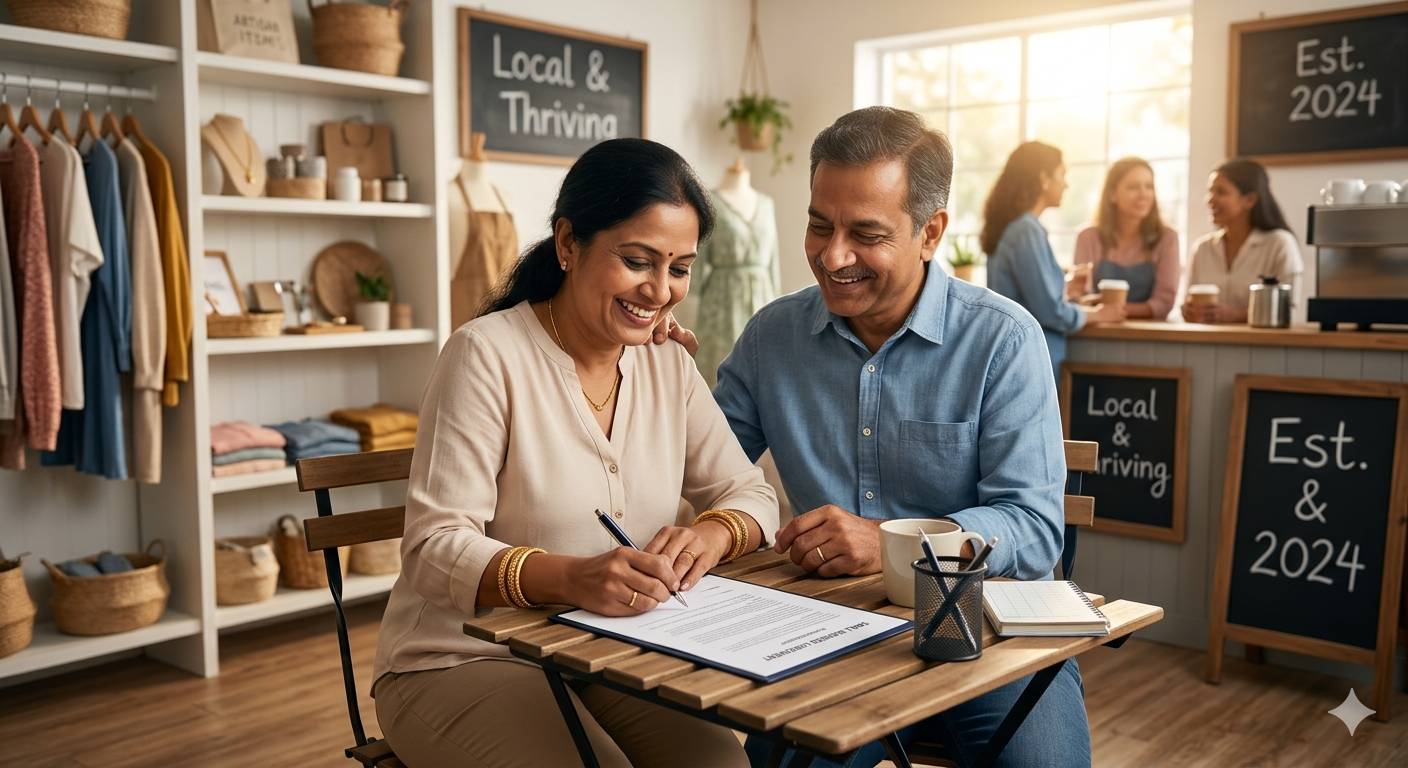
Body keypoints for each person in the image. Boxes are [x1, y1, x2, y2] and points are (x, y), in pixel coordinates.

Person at [373, 138, 778, 768]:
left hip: (608, 651)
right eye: (638, 261)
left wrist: (712, 535)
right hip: (460, 658)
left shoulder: (666, 364)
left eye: (679, 268)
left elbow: (751, 493)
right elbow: (434, 547)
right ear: (568, 244)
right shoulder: (485, 356)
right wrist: (572, 578)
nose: (660, 290)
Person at [709, 107, 1091, 768]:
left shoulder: (1003, 339)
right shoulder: (772, 336)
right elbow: (702, 469)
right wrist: (650, 371)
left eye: (866, 233)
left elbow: (1034, 527)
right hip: (825, 630)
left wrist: (892, 544)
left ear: (930, 232)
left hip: (992, 624)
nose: (833, 256)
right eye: (819, 225)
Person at [982, 141, 1123, 380]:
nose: (1066, 184)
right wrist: (1097, 314)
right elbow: (1050, 311)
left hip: (1016, 359)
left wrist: (1064, 289)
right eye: (1062, 175)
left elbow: (1027, 297)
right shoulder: (1027, 231)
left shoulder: (1013, 227)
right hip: (1028, 362)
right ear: (1043, 179)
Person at [1181, 158, 1303, 323]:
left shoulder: (1279, 243)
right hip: (1207, 339)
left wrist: (1235, 315)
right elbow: (1187, 301)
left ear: (1250, 200)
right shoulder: (1202, 248)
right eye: (1210, 191)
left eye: (1221, 192)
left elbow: (1288, 309)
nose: (1210, 200)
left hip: (1258, 339)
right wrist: (1187, 310)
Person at [1073, 157, 1181, 319]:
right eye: (1133, 187)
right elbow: (1082, 296)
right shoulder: (1088, 237)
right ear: (1112, 195)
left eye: (1149, 186)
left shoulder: (1167, 238)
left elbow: (1164, 303)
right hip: (1098, 329)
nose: (1143, 194)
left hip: (1151, 331)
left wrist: (1112, 311)